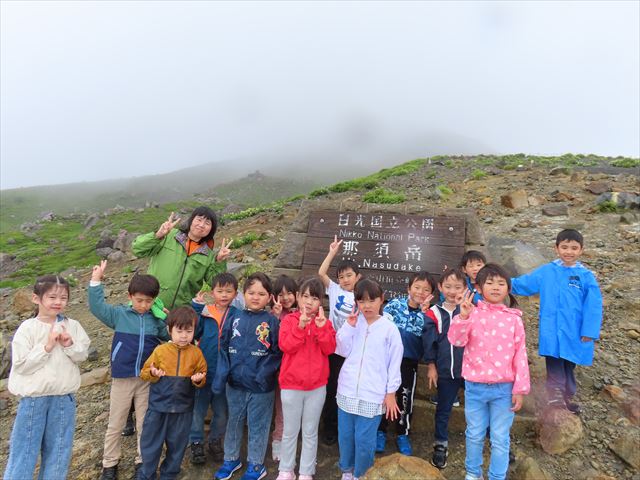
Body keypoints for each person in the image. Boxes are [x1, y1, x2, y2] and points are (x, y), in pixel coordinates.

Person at [89, 260, 170, 480]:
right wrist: (96, 281)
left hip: (147, 379)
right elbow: (97, 308)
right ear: (129, 296)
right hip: (122, 378)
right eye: (139, 300)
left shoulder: (156, 320)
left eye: (148, 301)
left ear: (154, 300)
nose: (143, 305)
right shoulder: (119, 315)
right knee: (116, 422)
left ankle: (142, 462)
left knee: (145, 423)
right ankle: (109, 464)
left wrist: (166, 316)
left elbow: (171, 337)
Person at [4, 275, 90, 480]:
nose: (58, 302)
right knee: (24, 452)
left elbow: (82, 355)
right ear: (36, 298)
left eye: (63, 298)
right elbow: (21, 365)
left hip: (63, 398)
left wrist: (69, 343)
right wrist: (47, 346)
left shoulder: (73, 325)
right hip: (34, 401)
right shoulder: (28, 328)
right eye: (52, 297)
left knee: (59, 452)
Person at [448, 264, 530, 480]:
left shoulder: (514, 319)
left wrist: (520, 389)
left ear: (508, 288)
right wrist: (462, 317)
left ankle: (497, 476)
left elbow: (520, 355)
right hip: (475, 387)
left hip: (504, 389)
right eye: (490, 283)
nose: (495, 287)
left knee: (500, 437)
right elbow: (456, 340)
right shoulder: (471, 314)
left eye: (501, 283)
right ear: (479, 287)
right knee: (474, 434)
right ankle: (473, 474)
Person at [511, 229, 602, 414]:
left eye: (574, 248)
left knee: (569, 363)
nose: (569, 251)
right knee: (554, 362)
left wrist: (589, 331)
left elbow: (593, 306)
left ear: (581, 250)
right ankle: (554, 396)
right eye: (565, 247)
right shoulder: (547, 271)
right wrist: (501, 282)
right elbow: (525, 283)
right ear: (556, 248)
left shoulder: (585, 277)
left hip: (574, 330)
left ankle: (566, 397)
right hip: (552, 329)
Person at [213, 273, 282, 480]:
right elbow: (223, 346)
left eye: (261, 293)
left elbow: (277, 352)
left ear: (269, 297)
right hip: (234, 383)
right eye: (251, 292)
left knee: (258, 425)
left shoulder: (272, 321)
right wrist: (223, 375)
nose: (255, 297)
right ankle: (231, 459)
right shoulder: (234, 317)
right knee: (233, 421)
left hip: (261, 386)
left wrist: (263, 375)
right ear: (243, 294)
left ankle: (256, 464)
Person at [336, 279, 403, 480]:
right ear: (356, 302)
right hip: (347, 391)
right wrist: (348, 327)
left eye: (372, 300)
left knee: (364, 441)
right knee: (346, 437)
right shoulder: (353, 323)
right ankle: (347, 471)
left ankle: (361, 474)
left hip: (372, 395)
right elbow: (340, 349)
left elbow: (394, 362)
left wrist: (391, 393)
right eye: (362, 301)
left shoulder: (389, 329)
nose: (367, 305)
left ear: (381, 300)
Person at [276, 277, 336, 480]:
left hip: (316, 386)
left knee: (310, 431)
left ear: (321, 302)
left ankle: (306, 472)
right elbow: (286, 346)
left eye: (315, 298)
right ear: (299, 298)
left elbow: (329, 349)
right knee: (290, 431)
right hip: (291, 385)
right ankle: (286, 470)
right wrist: (300, 327)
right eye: (305, 296)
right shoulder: (289, 321)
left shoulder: (325, 323)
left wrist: (320, 329)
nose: (309, 302)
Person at [137, 307, 208, 480]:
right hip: (158, 408)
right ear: (170, 330)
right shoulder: (160, 351)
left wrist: (198, 379)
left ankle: (169, 474)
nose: (184, 336)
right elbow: (144, 372)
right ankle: (147, 474)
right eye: (179, 331)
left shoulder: (196, 353)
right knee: (150, 444)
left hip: (183, 409)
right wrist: (153, 373)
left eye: (188, 331)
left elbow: (202, 375)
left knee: (177, 446)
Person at [376, 271, 437, 456]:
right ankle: (380, 431)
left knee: (405, 398)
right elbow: (381, 327)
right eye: (417, 287)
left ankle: (403, 433)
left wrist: (426, 315)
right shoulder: (395, 305)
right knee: (384, 396)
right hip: (387, 360)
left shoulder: (430, 315)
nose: (420, 292)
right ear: (408, 288)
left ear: (432, 294)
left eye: (425, 290)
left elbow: (430, 339)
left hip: (409, 363)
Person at [132, 207, 233, 309]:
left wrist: (219, 261)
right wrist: (158, 235)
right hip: (152, 304)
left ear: (211, 229)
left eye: (207, 223)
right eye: (199, 220)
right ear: (191, 220)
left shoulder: (208, 255)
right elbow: (137, 249)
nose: (201, 225)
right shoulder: (169, 236)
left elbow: (214, 283)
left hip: (181, 312)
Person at [188, 272, 239, 464]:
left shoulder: (237, 315)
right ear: (212, 292)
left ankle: (215, 441)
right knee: (198, 410)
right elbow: (194, 330)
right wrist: (196, 307)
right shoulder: (204, 312)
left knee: (222, 411)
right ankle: (196, 443)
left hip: (225, 373)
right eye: (220, 291)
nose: (224, 295)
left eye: (228, 291)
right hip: (203, 370)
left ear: (235, 293)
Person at [318, 235, 362, 445]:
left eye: (349, 275)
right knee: (332, 388)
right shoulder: (334, 290)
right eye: (341, 276)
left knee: (351, 389)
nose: (345, 279)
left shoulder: (363, 294)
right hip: (334, 349)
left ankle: (349, 430)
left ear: (358, 277)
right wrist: (332, 252)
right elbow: (321, 273)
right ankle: (330, 428)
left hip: (354, 350)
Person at [423, 268, 466, 469]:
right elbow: (429, 342)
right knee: (443, 410)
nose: (452, 291)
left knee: (482, 407)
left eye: (457, 287)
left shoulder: (471, 309)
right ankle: (440, 445)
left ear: (465, 288)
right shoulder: (434, 313)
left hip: (470, 371)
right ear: (440, 287)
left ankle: (496, 441)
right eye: (447, 286)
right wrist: (431, 366)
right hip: (445, 372)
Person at [270, 274, 299, 462]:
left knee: (288, 409)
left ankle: (287, 444)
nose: (286, 297)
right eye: (281, 294)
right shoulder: (272, 314)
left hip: (293, 370)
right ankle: (277, 440)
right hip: (275, 369)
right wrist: (275, 316)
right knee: (278, 407)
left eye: (289, 293)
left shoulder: (300, 313)